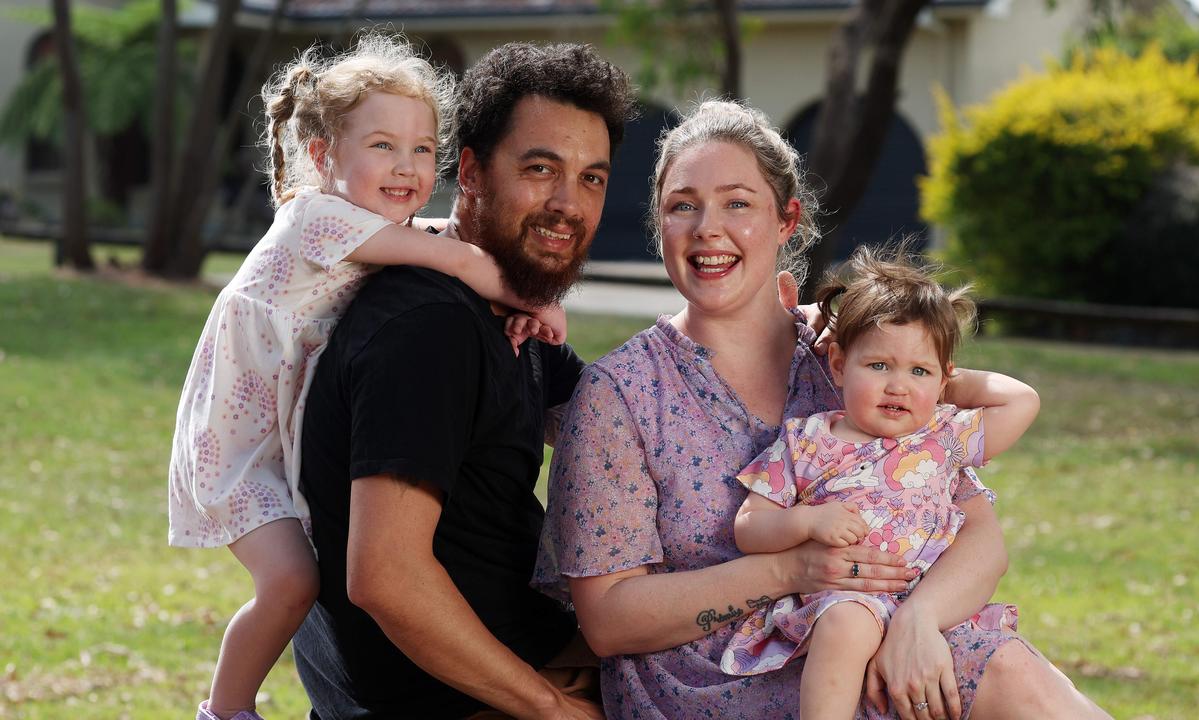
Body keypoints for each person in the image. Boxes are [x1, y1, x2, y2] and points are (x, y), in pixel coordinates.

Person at [535, 100, 1111, 720]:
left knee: (1014, 672)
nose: (707, 227)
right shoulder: (622, 394)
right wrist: (796, 569)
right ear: (661, 223)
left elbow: (980, 537)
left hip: (881, 637)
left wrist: (917, 621)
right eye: (683, 205)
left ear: (788, 220)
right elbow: (611, 623)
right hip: (709, 682)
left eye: (737, 203)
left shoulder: (855, 363)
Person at [167, 34, 562, 720]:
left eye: (420, 148)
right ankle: (225, 711)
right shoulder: (311, 217)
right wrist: (536, 298)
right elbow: (466, 263)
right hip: (235, 451)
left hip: (273, 440)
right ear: (324, 156)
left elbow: (442, 240)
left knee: (303, 576)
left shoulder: (380, 227)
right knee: (291, 583)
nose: (407, 166)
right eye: (382, 146)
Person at [290, 42, 634, 718]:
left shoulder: (509, 307)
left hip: (522, 648)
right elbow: (386, 577)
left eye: (592, 178)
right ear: (471, 172)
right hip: (448, 699)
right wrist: (553, 709)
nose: (568, 204)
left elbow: (630, 439)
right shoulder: (428, 328)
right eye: (541, 169)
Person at [722, 245, 1039, 719]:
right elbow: (749, 527)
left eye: (917, 371)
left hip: (931, 604)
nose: (898, 385)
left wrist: (941, 382)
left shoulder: (943, 435)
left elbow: (1022, 400)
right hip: (846, 597)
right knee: (848, 625)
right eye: (878, 366)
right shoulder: (808, 440)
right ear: (838, 365)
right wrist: (808, 522)